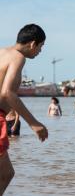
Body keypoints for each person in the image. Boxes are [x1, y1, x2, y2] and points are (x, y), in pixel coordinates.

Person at [0, 24, 48, 195]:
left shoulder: (2, 52)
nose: (40, 52)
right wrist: (34, 123)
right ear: (33, 44)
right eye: (41, 47)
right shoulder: (18, 57)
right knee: (6, 174)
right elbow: (7, 93)